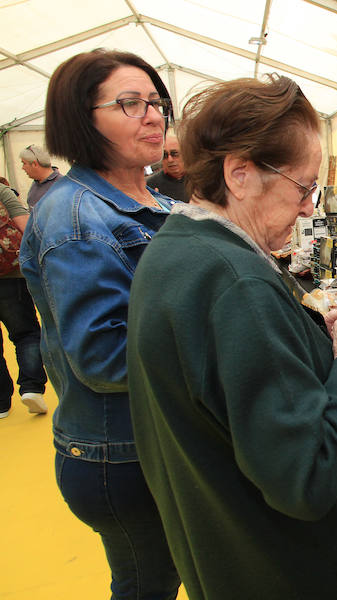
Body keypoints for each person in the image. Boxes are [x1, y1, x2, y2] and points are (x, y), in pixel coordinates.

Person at [127, 75, 337, 600]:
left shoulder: (175, 248)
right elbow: (307, 476)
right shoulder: (235, 282)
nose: (311, 207)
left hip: (228, 557)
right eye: (303, 186)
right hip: (284, 569)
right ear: (240, 174)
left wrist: (308, 342)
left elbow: (234, 393)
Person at [18, 49, 180, 599]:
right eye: (129, 104)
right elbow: (104, 357)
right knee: (145, 586)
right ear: (81, 118)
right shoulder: (78, 218)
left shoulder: (149, 201)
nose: (153, 115)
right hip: (119, 451)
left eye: (156, 102)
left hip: (151, 440)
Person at [0, 182, 47, 418]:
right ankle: (31, 388)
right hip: (11, 276)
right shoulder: (2, 191)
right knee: (25, 333)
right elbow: (25, 227)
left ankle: (1, 403)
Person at [145, 133, 188, 202]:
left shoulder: (201, 180)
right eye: (165, 155)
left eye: (174, 154)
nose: (170, 159)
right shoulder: (150, 186)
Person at [19, 144, 61, 208]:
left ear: (34, 164)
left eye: (24, 163)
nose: (23, 168)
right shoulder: (36, 183)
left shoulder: (60, 185)